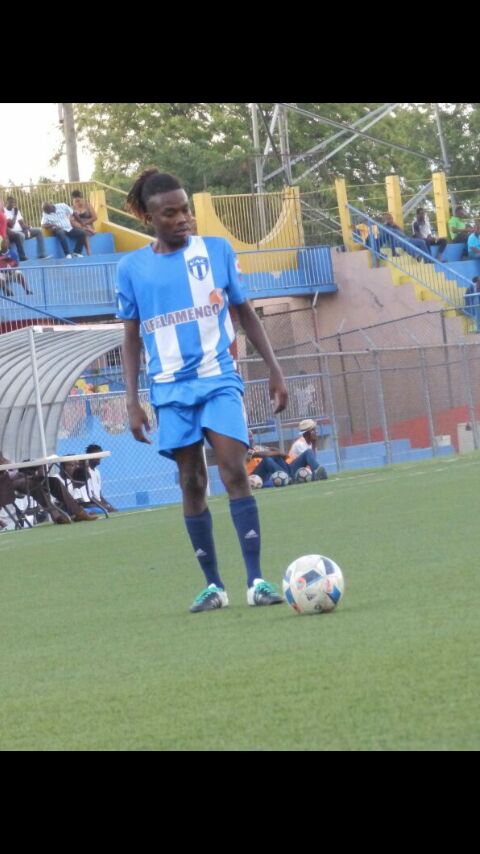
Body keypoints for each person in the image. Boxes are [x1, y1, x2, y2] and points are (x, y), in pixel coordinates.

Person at [117, 168, 288, 613]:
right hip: (170, 389)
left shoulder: (216, 251)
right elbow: (131, 336)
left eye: (185, 209)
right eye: (169, 213)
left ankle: (256, 581)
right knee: (191, 481)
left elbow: (244, 312)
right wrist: (132, 400)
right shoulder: (131, 267)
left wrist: (274, 368)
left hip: (218, 378)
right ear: (150, 218)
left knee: (233, 468)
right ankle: (214, 586)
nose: (182, 219)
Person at [246, 429, 326, 484]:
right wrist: (278, 453)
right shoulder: (242, 451)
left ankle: (317, 471)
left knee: (308, 452)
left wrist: (276, 451)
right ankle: (289, 478)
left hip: (283, 470)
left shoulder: (258, 447)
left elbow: (279, 454)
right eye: (248, 437)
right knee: (267, 460)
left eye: (250, 437)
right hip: (255, 477)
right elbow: (260, 454)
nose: (250, 439)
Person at [3, 196, 52, 261]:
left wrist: (27, 228)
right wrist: (15, 214)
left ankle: (41, 255)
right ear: (7, 202)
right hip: (13, 234)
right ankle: (22, 257)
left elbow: (22, 223)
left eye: (14, 203)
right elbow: (11, 225)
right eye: (11, 203)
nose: (13, 204)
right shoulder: (4, 211)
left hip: (22, 231)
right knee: (21, 235)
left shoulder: (16, 210)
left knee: (38, 231)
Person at [75, 443, 118, 512]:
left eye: (100, 455)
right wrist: (106, 507)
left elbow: (100, 496)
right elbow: (90, 497)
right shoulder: (84, 472)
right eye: (96, 455)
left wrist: (110, 506)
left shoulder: (97, 472)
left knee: (113, 510)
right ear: (89, 456)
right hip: (88, 504)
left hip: (97, 503)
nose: (99, 457)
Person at [70, 190, 97, 256]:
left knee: (83, 232)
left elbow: (95, 217)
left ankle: (89, 252)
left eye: (78, 200)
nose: (77, 203)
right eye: (76, 201)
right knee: (74, 224)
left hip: (88, 225)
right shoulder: (72, 208)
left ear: (82, 199)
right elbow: (71, 219)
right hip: (79, 226)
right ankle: (89, 252)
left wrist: (85, 222)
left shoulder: (88, 205)